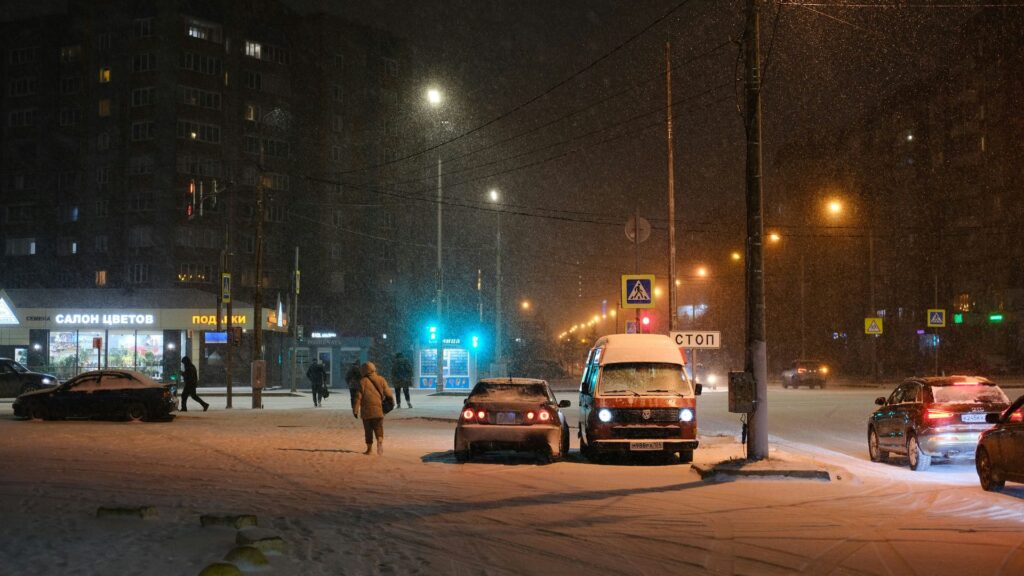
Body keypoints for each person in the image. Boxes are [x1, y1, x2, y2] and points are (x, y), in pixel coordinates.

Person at [353, 361, 394, 455]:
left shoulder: (362, 382)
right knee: (379, 428)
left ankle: (369, 449)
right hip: (378, 410)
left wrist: (355, 410)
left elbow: (357, 397)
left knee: (368, 430)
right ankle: (379, 441)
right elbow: (389, 394)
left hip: (366, 412)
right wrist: (390, 404)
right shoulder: (381, 379)